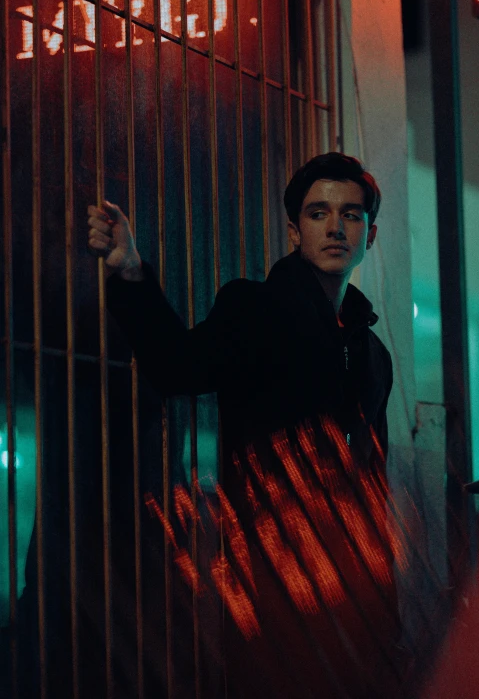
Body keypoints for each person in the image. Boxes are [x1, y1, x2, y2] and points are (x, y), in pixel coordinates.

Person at [87, 152, 404, 698]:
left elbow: (372, 473)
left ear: (369, 235)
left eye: (351, 215)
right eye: (317, 213)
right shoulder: (256, 307)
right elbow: (176, 366)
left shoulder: (372, 351)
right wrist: (131, 271)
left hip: (355, 581)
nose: (334, 226)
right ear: (293, 229)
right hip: (273, 571)